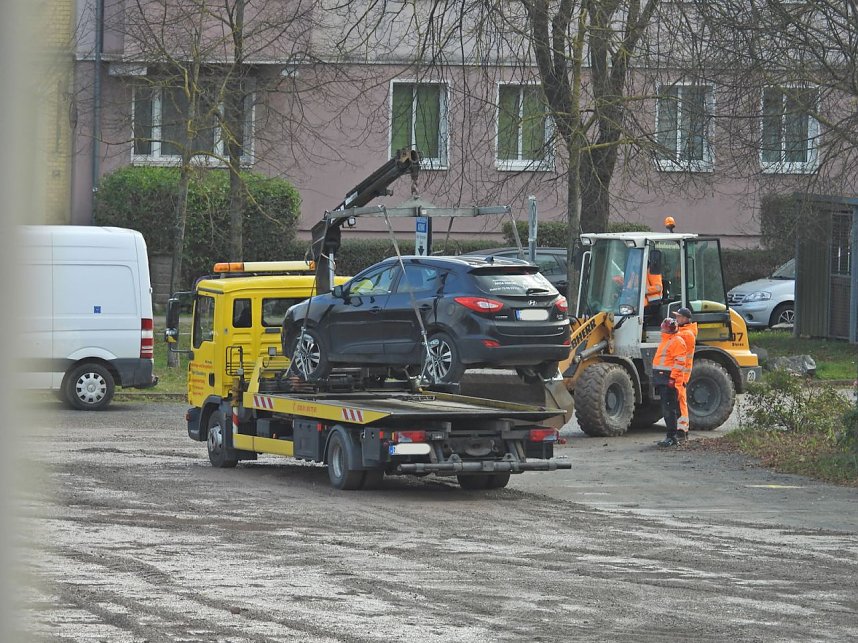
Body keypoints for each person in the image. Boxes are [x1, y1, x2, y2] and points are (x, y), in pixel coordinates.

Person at [652, 317, 688, 447]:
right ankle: (672, 435)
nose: (662, 329)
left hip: (668, 380)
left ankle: (672, 436)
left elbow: (680, 362)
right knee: (668, 408)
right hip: (664, 379)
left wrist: (672, 379)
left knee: (669, 409)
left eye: (664, 327)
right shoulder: (667, 340)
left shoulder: (676, 341)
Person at [672, 307, 698, 439]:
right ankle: (681, 429)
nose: (676, 319)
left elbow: (674, 338)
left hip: (681, 373)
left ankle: (682, 430)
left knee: (681, 401)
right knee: (679, 401)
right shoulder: (683, 331)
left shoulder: (687, 334)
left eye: (678, 317)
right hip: (678, 372)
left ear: (685, 319)